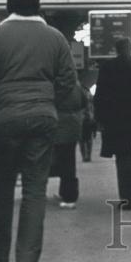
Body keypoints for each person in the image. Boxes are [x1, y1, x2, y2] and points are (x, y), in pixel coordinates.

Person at [0, 0, 78, 262]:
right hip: (42, 119)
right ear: (39, 6)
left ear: (8, 7)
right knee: (34, 191)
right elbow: (68, 83)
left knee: (1, 187)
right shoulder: (55, 38)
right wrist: (47, 102)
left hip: (3, 120)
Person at [93, 38, 131, 210]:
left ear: (116, 50)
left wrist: (99, 118)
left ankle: (126, 196)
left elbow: (100, 95)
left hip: (115, 118)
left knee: (122, 156)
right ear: (130, 48)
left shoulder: (108, 68)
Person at [49, 79, 89, 209]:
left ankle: (67, 195)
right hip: (72, 125)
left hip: (55, 124)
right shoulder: (75, 84)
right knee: (69, 161)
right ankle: (68, 193)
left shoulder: (51, 84)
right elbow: (84, 102)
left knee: (56, 160)